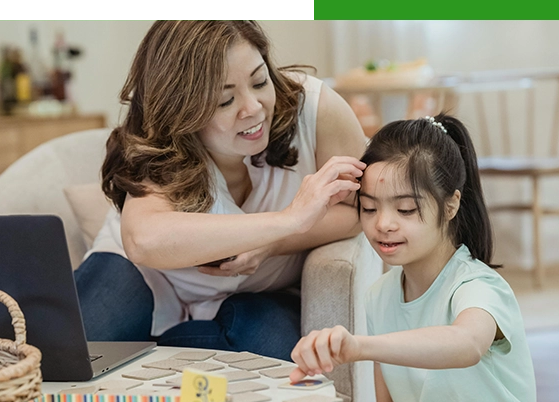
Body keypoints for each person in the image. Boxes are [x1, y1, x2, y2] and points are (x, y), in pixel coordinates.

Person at [74, 20, 367, 361]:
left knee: (274, 359)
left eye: (260, 81)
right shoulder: (162, 146)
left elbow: (363, 209)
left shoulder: (316, 111)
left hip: (258, 294)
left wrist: (273, 244)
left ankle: (161, 349)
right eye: (225, 101)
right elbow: (143, 241)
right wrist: (287, 220)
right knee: (75, 355)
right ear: (181, 110)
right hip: (148, 278)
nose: (254, 108)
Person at [289, 113, 559, 402]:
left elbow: (465, 344)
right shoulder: (380, 296)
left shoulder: (478, 287)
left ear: (450, 204)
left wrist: (357, 347)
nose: (383, 224)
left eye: (405, 209)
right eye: (370, 208)